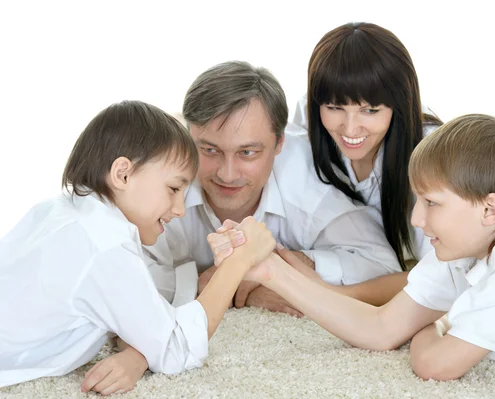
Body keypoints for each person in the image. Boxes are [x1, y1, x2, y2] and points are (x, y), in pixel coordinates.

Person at [212, 114, 495, 379]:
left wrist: (438, 323)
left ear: (489, 208)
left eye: (432, 203)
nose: (416, 220)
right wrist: (272, 272)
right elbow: (381, 329)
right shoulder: (467, 246)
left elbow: (434, 364)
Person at [0, 100, 276, 395]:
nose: (180, 209)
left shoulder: (60, 211)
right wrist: (238, 261)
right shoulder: (105, 246)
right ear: (123, 174)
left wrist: (138, 356)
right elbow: (176, 348)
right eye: (173, 189)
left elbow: (139, 309)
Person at [143, 61, 401, 315]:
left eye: (247, 152)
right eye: (210, 150)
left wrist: (289, 267)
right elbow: (117, 271)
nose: (227, 174)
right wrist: (224, 280)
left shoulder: (307, 181)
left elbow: (383, 265)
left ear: (279, 144)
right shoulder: (155, 177)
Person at [286, 22, 443, 303]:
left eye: (369, 110)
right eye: (335, 108)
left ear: (399, 103)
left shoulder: (428, 152)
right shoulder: (305, 124)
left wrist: (333, 296)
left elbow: (441, 275)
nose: (350, 128)